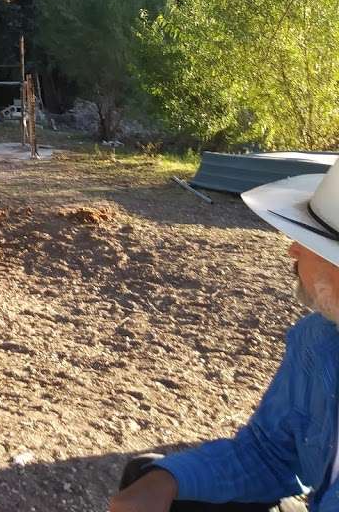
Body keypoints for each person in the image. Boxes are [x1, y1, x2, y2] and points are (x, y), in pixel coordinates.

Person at [110, 161, 339, 512]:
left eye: (309, 240)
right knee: (149, 476)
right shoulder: (318, 340)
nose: (293, 249)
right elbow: (269, 453)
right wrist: (167, 480)